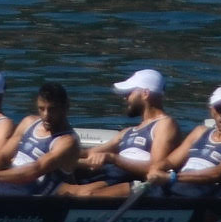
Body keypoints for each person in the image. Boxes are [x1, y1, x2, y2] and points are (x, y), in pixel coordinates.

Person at [65, 69, 181, 200]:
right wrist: (60, 153)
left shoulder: (165, 124)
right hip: (113, 173)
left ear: (145, 94)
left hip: (134, 179)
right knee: (61, 179)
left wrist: (113, 158)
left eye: (129, 93)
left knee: (84, 194)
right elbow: (91, 152)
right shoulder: (127, 131)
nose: (125, 98)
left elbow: (155, 168)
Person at [0, 82, 82, 196]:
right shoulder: (28, 122)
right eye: (41, 109)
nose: (46, 116)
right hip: (3, 186)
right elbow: (3, 157)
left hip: (33, 198)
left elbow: (35, 170)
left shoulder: (67, 141)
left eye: (52, 110)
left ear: (65, 108)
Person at [159, 85, 221, 196]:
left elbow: (216, 174)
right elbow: (170, 162)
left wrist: (171, 177)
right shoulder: (199, 132)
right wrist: (155, 169)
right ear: (211, 110)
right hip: (177, 187)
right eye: (219, 108)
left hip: (205, 198)